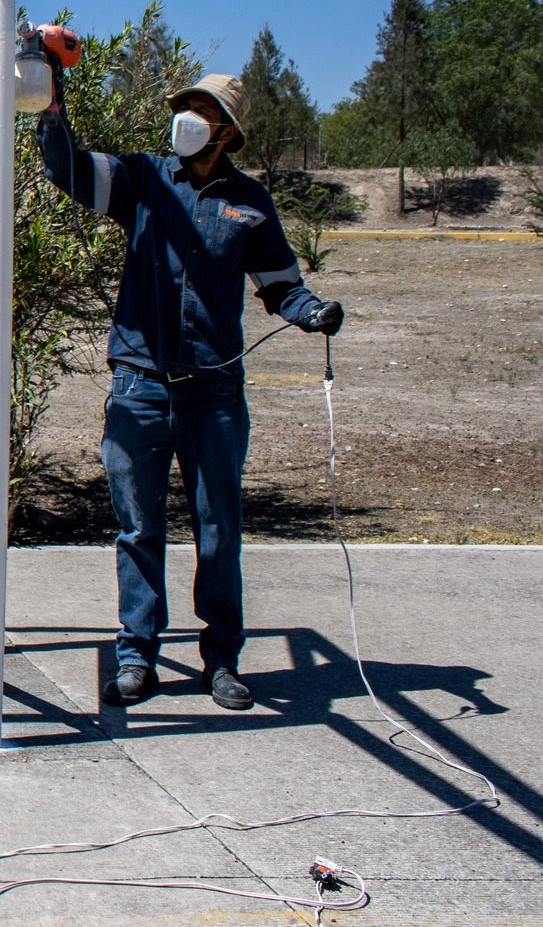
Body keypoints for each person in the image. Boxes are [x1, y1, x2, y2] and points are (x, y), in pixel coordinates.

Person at [33, 40, 343, 710]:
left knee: (218, 530)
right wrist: (51, 98)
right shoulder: (145, 180)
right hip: (140, 388)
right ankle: (136, 656)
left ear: (228, 131)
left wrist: (311, 311)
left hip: (215, 398)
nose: (189, 118)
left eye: (203, 111)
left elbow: (281, 287)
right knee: (138, 527)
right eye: (186, 107)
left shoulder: (251, 204)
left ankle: (222, 660)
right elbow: (69, 169)